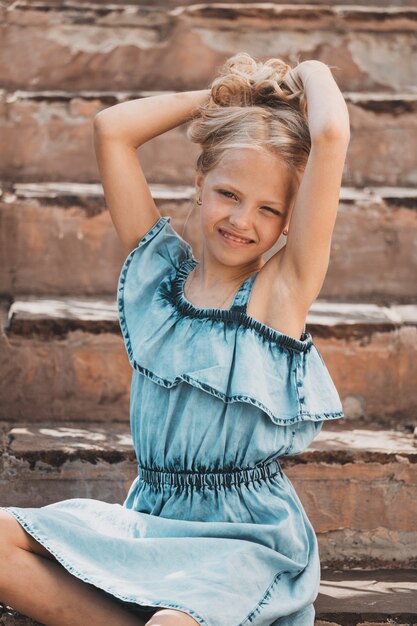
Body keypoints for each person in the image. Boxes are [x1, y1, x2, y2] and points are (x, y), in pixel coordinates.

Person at [0, 52, 350, 626]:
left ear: (289, 223)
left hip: (245, 541)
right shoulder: (160, 280)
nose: (243, 220)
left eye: (268, 209)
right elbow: (112, 130)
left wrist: (308, 70)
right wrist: (225, 99)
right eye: (229, 194)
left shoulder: (279, 294)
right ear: (199, 184)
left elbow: (332, 132)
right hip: (152, 521)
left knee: (171, 624)